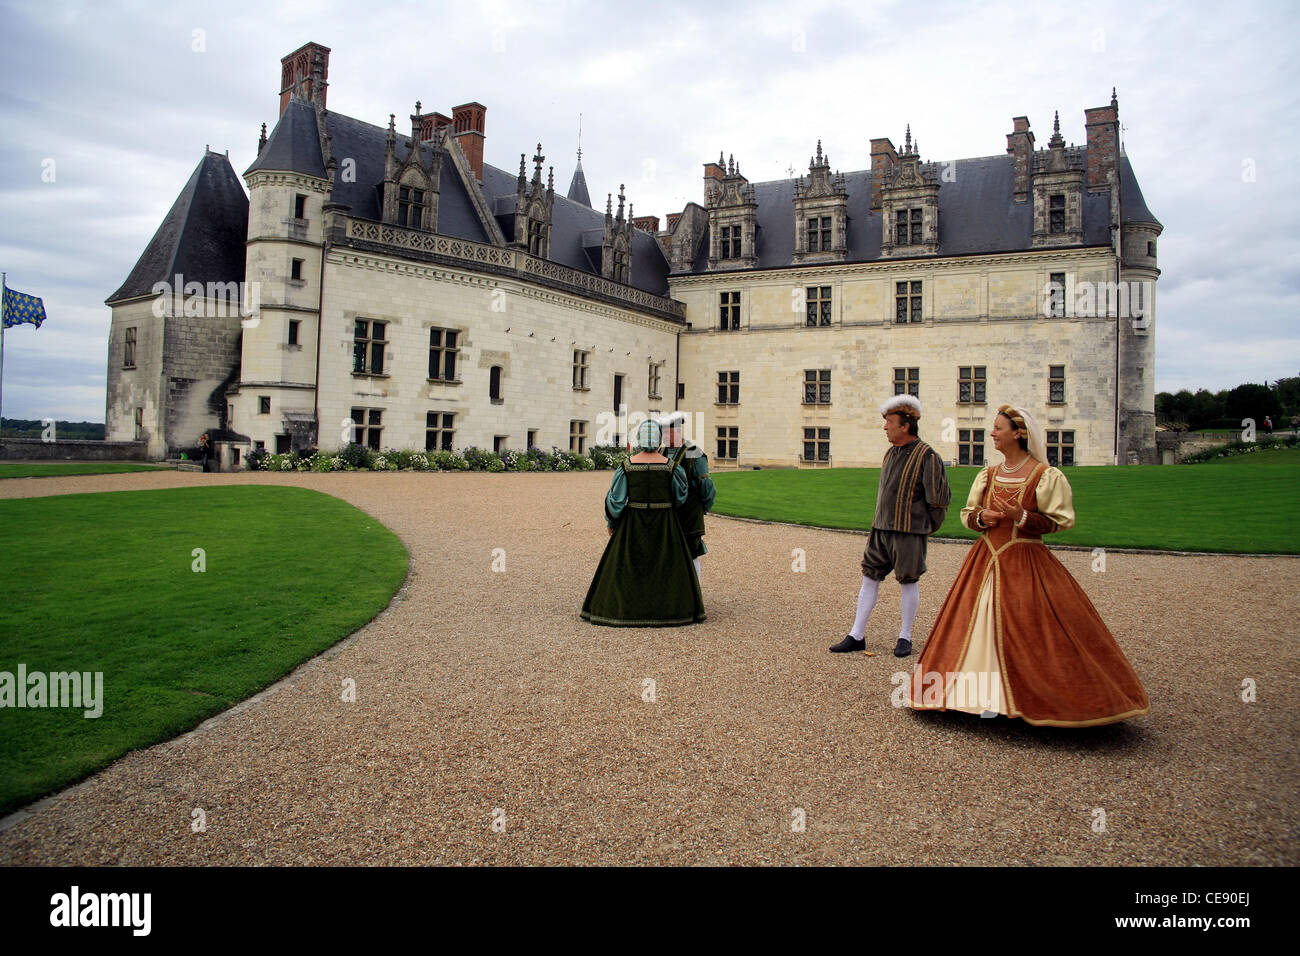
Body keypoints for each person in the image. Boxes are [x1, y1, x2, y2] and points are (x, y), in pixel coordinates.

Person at [907, 404, 1150, 726]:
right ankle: (969, 695)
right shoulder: (989, 474)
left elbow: (1061, 521)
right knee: (969, 624)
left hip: (1025, 557)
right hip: (985, 557)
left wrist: (1020, 516)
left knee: (1033, 627)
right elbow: (968, 514)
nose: (992, 433)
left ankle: (1037, 698)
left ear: (1018, 433)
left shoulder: (1045, 475)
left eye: (998, 428)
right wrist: (984, 517)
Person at [831, 395, 950, 657]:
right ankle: (857, 635)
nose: (885, 427)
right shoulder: (890, 453)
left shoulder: (927, 455)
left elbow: (939, 501)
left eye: (889, 422)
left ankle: (904, 636)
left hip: (909, 532)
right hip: (881, 529)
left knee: (908, 581)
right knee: (869, 578)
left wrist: (923, 528)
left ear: (905, 426)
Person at [581, 418, 706, 626]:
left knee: (629, 566)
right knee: (666, 566)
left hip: (633, 524)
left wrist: (612, 522)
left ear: (639, 439)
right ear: (658, 440)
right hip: (666, 525)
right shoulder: (672, 468)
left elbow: (616, 501)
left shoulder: (627, 467)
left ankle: (628, 609)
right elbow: (680, 497)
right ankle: (668, 610)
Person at [659, 411, 716, 580]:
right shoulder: (662, 452)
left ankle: (694, 598)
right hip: (667, 514)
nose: (662, 436)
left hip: (689, 514)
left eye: (665, 432)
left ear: (677, 431)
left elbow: (707, 487)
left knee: (690, 553)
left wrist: (700, 508)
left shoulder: (694, 453)